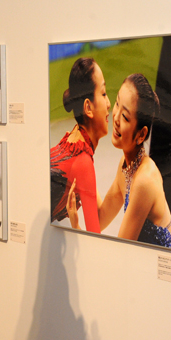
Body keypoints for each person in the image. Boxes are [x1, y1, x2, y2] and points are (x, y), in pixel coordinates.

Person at [68, 74, 171, 248]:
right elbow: (101, 219)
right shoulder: (126, 166)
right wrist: (85, 162)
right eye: (117, 103)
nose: (115, 117)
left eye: (125, 117)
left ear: (141, 134)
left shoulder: (144, 180)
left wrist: (76, 226)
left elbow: (121, 251)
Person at [50, 57, 110, 233]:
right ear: (88, 108)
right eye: (104, 93)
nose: (109, 104)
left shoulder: (71, 137)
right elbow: (94, 237)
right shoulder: (83, 162)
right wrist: (75, 226)